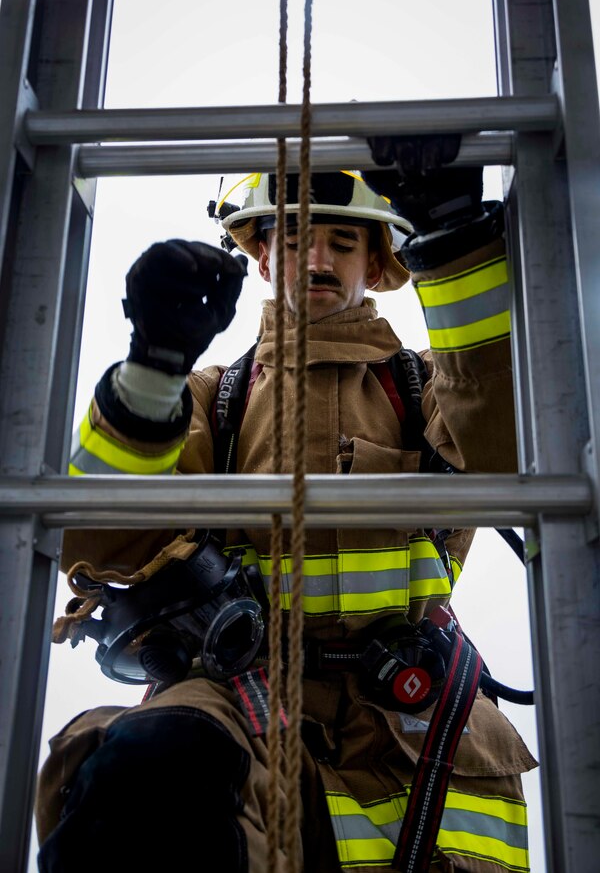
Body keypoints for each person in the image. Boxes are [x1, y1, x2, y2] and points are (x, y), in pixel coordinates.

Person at [34, 139, 537, 873]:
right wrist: (151, 374)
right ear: (263, 257)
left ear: (379, 262)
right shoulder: (208, 398)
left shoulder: (431, 384)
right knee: (148, 765)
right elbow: (99, 536)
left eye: (343, 241)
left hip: (411, 732)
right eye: (296, 237)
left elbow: (512, 450)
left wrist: (456, 244)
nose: (321, 262)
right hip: (239, 703)